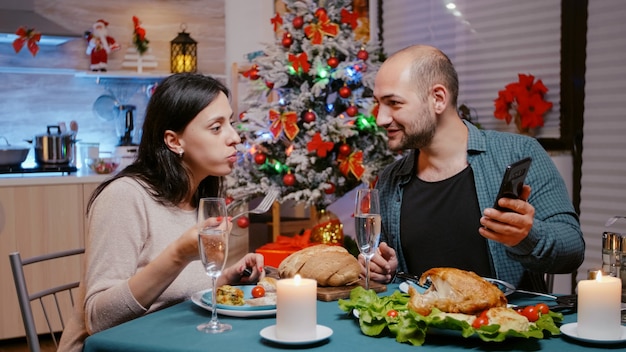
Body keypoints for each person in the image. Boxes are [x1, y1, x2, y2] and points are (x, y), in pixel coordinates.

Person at [59, 74, 265, 351]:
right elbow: (99, 319)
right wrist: (178, 254)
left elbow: (179, 292)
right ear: (174, 141)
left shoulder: (200, 198)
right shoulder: (125, 196)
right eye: (216, 128)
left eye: (231, 123)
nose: (235, 138)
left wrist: (228, 277)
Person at [364, 45, 585, 292]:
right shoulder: (390, 180)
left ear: (438, 98)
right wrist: (385, 270)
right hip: (421, 325)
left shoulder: (519, 152)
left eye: (393, 103)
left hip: (503, 325)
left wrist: (527, 236)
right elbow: (385, 265)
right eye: (379, 104)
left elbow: (573, 249)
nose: (381, 118)